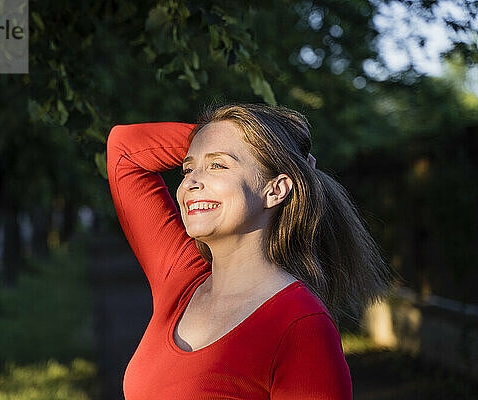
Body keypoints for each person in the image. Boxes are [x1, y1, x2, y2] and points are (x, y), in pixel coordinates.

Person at [106, 103, 391, 399]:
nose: (190, 182)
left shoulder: (301, 326)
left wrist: (274, 147)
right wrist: (216, 138)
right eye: (188, 168)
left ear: (275, 190)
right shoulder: (181, 280)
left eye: (218, 165)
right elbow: (124, 149)